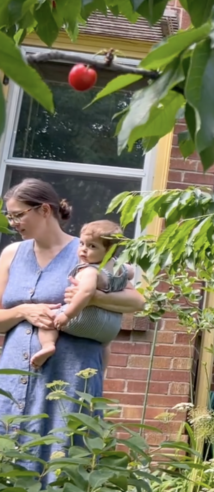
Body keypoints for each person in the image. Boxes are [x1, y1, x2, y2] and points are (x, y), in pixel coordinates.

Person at [0, 179, 145, 484]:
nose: (13, 223)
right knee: (10, 457)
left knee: (64, 454)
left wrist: (92, 296)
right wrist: (23, 311)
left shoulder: (88, 251)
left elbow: (136, 301)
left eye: (18, 215)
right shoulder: (11, 254)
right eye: (9, 216)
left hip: (70, 372)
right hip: (14, 373)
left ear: (44, 210)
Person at [32, 220, 134, 368]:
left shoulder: (90, 271)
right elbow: (131, 271)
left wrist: (67, 315)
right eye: (82, 244)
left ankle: (48, 345)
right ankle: (101, 370)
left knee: (47, 316)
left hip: (84, 321)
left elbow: (86, 292)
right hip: (110, 330)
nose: (84, 250)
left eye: (92, 246)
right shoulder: (120, 268)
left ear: (110, 250)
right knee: (105, 347)